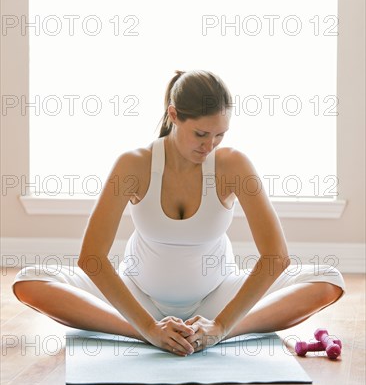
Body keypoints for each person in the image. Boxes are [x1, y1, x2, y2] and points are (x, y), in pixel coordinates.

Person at [12, 70, 346, 357]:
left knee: (328, 280)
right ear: (173, 115)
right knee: (29, 281)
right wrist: (147, 327)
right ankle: (144, 333)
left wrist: (219, 325)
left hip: (216, 298)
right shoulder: (135, 164)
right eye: (201, 134)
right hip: (139, 298)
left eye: (219, 134)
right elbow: (91, 259)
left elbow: (276, 258)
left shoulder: (234, 165)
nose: (210, 145)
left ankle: (218, 334)